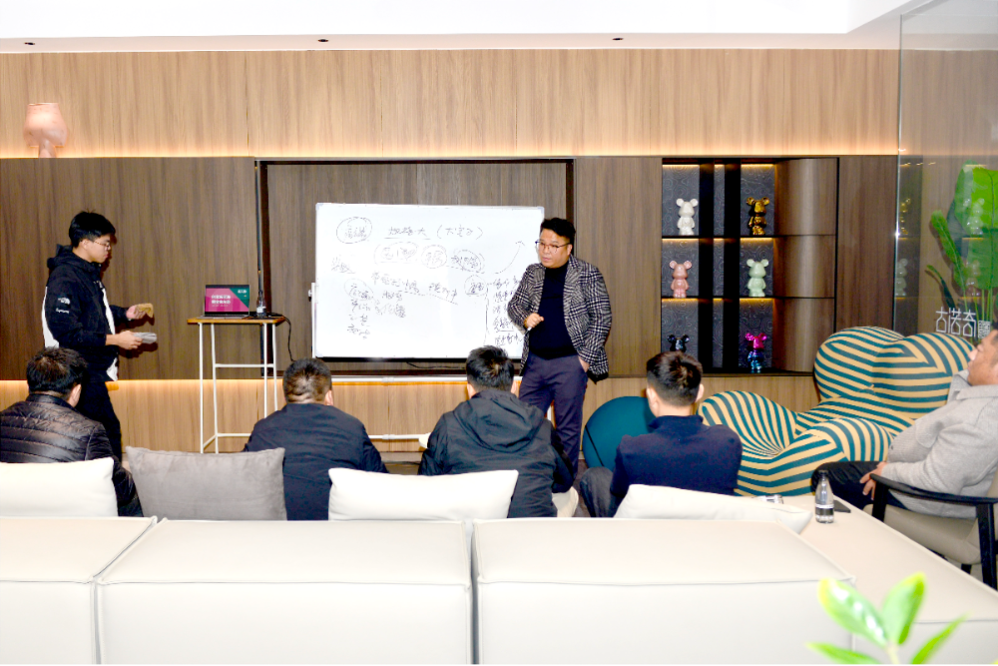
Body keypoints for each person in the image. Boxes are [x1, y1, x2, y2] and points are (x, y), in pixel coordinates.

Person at [813, 325, 998, 518]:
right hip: (913, 474)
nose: (971, 354)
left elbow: (936, 481)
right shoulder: (983, 400)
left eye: (980, 350)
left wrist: (887, 474)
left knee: (826, 476)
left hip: (923, 498)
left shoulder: (979, 420)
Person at [579, 352, 742, 518]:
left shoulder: (631, 449)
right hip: (707, 530)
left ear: (651, 395)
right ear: (699, 392)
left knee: (595, 476)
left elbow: (619, 506)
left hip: (647, 531)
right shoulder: (728, 441)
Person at [507, 217, 612, 476]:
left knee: (567, 430)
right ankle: (528, 480)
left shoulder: (587, 273)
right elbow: (514, 305)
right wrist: (525, 318)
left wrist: (583, 361)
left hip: (570, 363)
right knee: (525, 425)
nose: (545, 250)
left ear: (568, 248)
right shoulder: (533, 273)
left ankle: (564, 484)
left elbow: (602, 318)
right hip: (535, 363)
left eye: (553, 246)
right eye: (542, 243)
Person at [418, 346, 574, 518]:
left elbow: (426, 482)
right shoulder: (542, 426)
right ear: (514, 387)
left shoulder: (449, 424)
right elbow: (565, 480)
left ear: (469, 389)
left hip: (469, 528)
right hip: (532, 529)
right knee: (570, 494)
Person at [43, 211, 150, 459]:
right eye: (105, 244)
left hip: (89, 369)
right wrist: (116, 339)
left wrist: (124, 314)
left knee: (101, 434)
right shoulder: (65, 277)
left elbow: (93, 312)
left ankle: (108, 478)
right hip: (74, 371)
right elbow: (66, 332)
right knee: (103, 433)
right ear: (84, 242)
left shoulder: (87, 273)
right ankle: (111, 480)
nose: (108, 250)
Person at [1, 347, 142, 516]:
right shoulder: (88, 431)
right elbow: (123, 490)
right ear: (76, 391)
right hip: (64, 521)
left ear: (29, 385)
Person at [244, 358, 388, 520]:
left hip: (276, 528)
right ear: (329, 396)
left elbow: (242, 478)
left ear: (285, 398)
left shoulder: (262, 429)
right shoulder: (352, 427)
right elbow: (381, 483)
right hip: (336, 527)